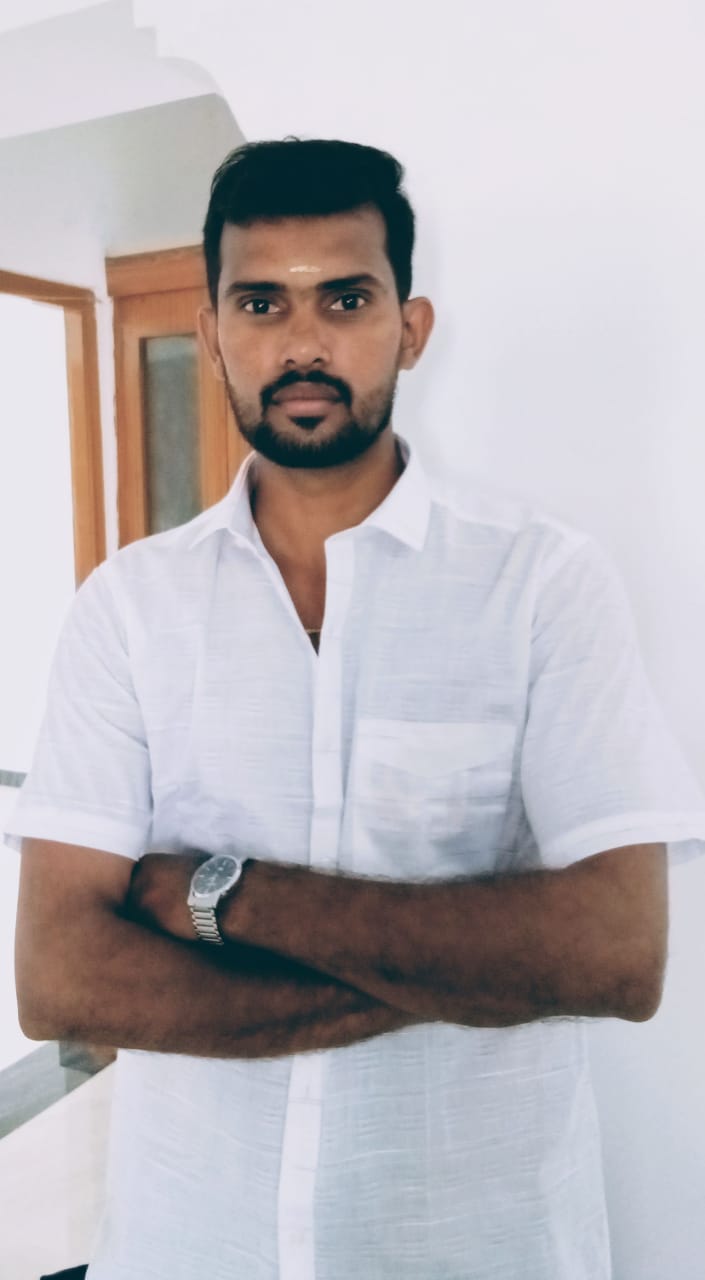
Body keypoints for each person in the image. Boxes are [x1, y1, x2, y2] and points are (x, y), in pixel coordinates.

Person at [9, 138, 705, 1280]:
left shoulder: (539, 585)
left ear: (409, 328)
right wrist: (465, 961)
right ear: (213, 330)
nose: (303, 343)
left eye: (345, 298)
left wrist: (218, 895)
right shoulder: (128, 608)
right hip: (192, 1245)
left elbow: (613, 954)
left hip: (477, 1250)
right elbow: (61, 979)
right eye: (261, 303)